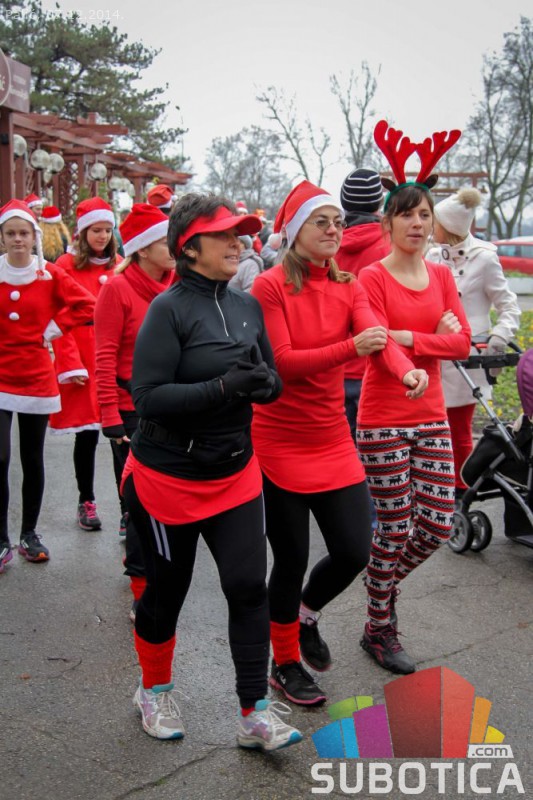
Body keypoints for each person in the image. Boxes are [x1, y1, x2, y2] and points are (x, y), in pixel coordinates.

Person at [122, 193, 302, 750]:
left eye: (239, 233)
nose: (238, 242)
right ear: (189, 247)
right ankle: (154, 690)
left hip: (234, 473)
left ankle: (255, 714)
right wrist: (224, 387)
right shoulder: (168, 309)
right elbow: (147, 398)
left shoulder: (247, 305)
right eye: (224, 234)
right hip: (166, 478)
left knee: (248, 588)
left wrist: (265, 385)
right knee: (165, 594)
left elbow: (269, 379)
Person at [250, 180, 428, 706]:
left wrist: (406, 369)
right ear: (294, 231)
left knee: (354, 548)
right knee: (290, 557)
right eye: (321, 222)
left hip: (331, 438)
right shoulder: (269, 285)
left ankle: (305, 616)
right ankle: (284, 662)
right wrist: (350, 347)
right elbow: (281, 363)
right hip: (279, 441)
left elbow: (377, 337)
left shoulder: (348, 285)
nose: (334, 230)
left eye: (338, 222)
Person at [355, 120, 471, 675]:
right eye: (406, 214)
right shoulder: (372, 277)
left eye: (424, 214)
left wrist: (413, 338)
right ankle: (379, 628)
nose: (418, 223)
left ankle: (379, 585)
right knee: (397, 526)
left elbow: (463, 342)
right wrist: (415, 355)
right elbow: (378, 344)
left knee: (439, 523)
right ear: (388, 222)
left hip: (432, 416)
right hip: (382, 417)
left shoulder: (443, 276)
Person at [0, 200, 94, 572]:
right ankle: (1, 539)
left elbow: (86, 304)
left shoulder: (48, 274)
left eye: (23, 233)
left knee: (32, 457)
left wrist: (54, 328)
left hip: (36, 376)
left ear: (34, 236)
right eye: (11, 233)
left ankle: (29, 533)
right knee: (0, 457)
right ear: (2, 238)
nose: (17, 239)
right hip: (1, 374)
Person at [94, 203, 174, 620]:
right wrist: (109, 416)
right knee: (140, 505)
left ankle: (162, 579)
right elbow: (104, 356)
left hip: (174, 408)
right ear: (142, 249)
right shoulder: (117, 289)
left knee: (168, 502)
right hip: (130, 412)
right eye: (165, 241)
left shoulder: (179, 285)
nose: (175, 247)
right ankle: (142, 589)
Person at [428, 188, 521, 498]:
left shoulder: (484, 258)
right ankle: (438, 485)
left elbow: (509, 305)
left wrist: (500, 336)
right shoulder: (430, 255)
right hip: (433, 351)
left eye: (435, 220)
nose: (430, 226)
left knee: (459, 428)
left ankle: (460, 490)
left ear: (448, 225)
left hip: (469, 356)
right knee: (433, 428)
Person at [49, 198, 120, 531]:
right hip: (82, 353)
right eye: (96, 230)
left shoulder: (120, 264)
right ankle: (86, 500)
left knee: (121, 435)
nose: (102, 236)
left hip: (114, 353)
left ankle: (128, 508)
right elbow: (57, 316)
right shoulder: (65, 264)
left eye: (107, 230)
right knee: (88, 435)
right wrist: (69, 364)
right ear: (82, 232)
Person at [336, 168, 391, 443]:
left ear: (344, 203)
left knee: (338, 450)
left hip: (333, 364)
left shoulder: (325, 246)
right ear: (379, 203)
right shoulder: (392, 247)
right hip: (378, 364)